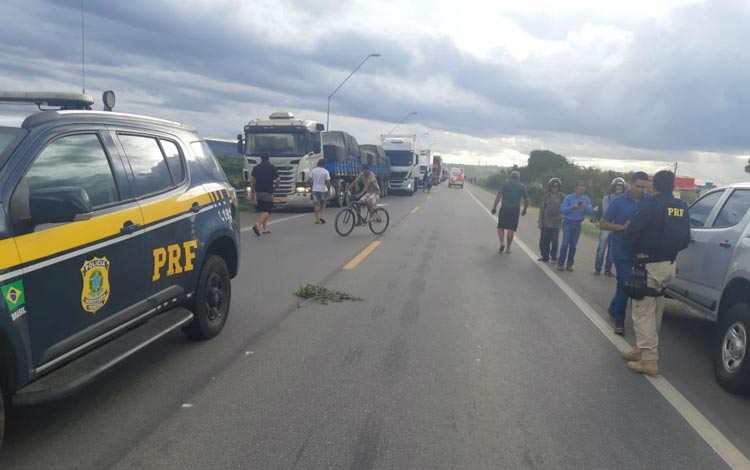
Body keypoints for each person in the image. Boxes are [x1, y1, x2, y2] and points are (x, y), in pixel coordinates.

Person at [621, 171, 690, 375]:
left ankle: (649, 360)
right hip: (669, 264)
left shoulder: (651, 206)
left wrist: (634, 250)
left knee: (642, 311)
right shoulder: (681, 207)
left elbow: (631, 235)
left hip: (649, 265)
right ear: (673, 185)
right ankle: (642, 350)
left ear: (654, 186)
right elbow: (686, 238)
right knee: (655, 308)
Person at [599, 171, 651, 335]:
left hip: (639, 250)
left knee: (628, 283)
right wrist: (622, 227)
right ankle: (619, 320)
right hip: (620, 248)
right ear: (630, 183)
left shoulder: (649, 201)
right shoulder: (618, 202)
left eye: (644, 187)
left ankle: (614, 307)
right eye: (638, 186)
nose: (641, 190)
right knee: (625, 281)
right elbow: (603, 223)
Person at [557, 182, 593, 271]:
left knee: (573, 245)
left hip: (578, 223)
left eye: (582, 189)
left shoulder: (586, 199)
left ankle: (569, 265)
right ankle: (560, 263)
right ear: (575, 189)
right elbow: (562, 209)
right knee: (565, 244)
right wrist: (573, 207)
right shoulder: (569, 197)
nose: (580, 191)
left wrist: (585, 208)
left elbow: (591, 211)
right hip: (568, 222)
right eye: (579, 189)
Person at [594, 178, 626, 276]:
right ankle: (598, 268)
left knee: (612, 250)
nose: (618, 191)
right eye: (617, 188)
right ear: (613, 188)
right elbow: (607, 211)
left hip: (616, 227)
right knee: (601, 248)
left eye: (620, 189)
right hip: (607, 226)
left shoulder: (625, 199)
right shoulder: (607, 198)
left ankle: (608, 269)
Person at [491, 171, 528, 254]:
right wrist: (525, 209)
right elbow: (526, 199)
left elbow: (499, 196)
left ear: (511, 177)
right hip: (515, 210)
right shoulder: (522, 187)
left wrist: (494, 207)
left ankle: (501, 243)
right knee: (511, 228)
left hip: (504, 208)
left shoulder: (505, 184)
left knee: (501, 226)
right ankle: (508, 248)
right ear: (518, 178)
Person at [250, 155, 280, 236]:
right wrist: (275, 187)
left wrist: (252, 192)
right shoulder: (271, 167)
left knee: (263, 210)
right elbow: (278, 179)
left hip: (258, 191)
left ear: (261, 159)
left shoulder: (256, 168)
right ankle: (257, 225)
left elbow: (252, 180)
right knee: (268, 211)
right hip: (267, 191)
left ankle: (265, 229)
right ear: (268, 159)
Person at [537, 178, 564, 263]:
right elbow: (542, 209)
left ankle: (554, 257)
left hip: (556, 223)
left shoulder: (562, 196)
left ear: (559, 187)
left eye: (556, 186)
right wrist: (540, 221)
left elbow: (566, 208)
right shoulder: (546, 196)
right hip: (545, 222)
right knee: (544, 240)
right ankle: (544, 256)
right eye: (553, 186)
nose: (554, 188)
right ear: (550, 187)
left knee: (554, 241)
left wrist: (562, 215)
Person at [310, 159, 331, 224]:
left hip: (315, 189)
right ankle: (322, 216)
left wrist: (311, 187)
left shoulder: (313, 171)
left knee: (316, 204)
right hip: (323, 190)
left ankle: (317, 219)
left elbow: (310, 180)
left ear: (318, 163)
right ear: (324, 164)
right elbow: (328, 182)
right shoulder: (326, 171)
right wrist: (328, 189)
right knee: (323, 204)